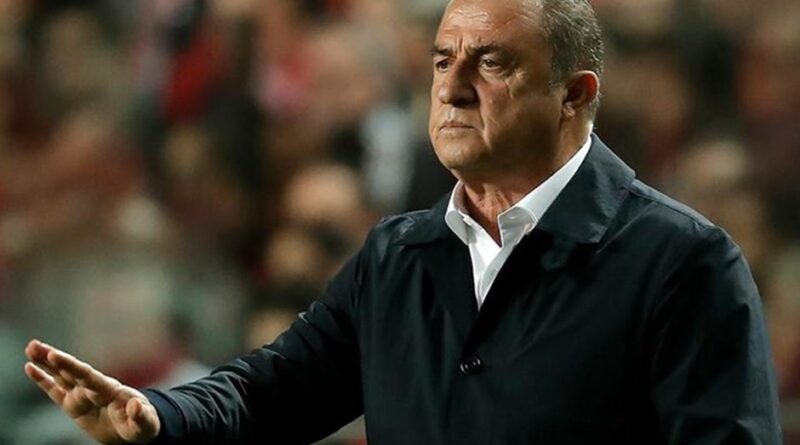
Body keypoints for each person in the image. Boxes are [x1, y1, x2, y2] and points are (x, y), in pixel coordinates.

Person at [24, 0, 782, 443]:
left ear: (575, 96)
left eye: (492, 63)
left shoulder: (681, 262)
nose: (451, 89)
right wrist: (158, 414)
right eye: (442, 59)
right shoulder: (398, 255)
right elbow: (267, 393)